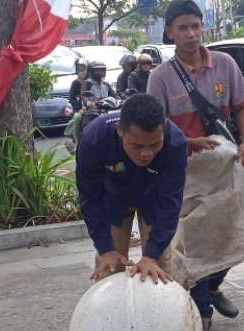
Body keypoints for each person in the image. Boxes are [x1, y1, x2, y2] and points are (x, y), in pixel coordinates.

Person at [147, 0, 244, 331]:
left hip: (224, 165)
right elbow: (157, 125)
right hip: (183, 171)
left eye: (195, 26)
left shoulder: (224, 64)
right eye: (182, 28)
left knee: (229, 235)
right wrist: (188, 142)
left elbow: (242, 108)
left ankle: (212, 285)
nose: (191, 34)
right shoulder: (160, 77)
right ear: (170, 32)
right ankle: (202, 309)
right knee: (192, 241)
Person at [75, 93, 187, 283]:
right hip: (113, 198)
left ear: (163, 131)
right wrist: (105, 249)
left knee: (161, 269)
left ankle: (172, 310)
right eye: (137, 145)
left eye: (155, 144)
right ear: (120, 130)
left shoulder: (175, 143)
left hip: (154, 198)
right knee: (109, 268)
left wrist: (150, 255)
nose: (146, 153)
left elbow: (170, 203)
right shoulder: (94, 140)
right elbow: (90, 198)